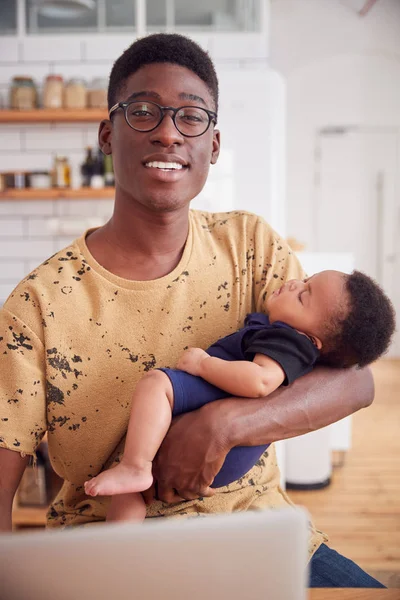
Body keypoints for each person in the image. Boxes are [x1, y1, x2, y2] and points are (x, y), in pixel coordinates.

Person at [0, 33, 386, 588]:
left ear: (215, 144)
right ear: (107, 135)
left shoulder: (251, 246)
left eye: (190, 116)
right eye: (143, 112)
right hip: (109, 555)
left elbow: (355, 383)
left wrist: (226, 424)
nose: (166, 131)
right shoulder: (37, 304)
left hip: (259, 534)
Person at [84, 269, 395, 520]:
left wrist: (205, 365)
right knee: (134, 491)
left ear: (311, 339)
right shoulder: (288, 331)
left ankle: (135, 466)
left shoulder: (289, 340)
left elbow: (259, 382)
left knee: (157, 384)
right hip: (223, 444)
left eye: (303, 296)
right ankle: (121, 544)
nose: (292, 283)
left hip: (220, 409)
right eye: (306, 279)